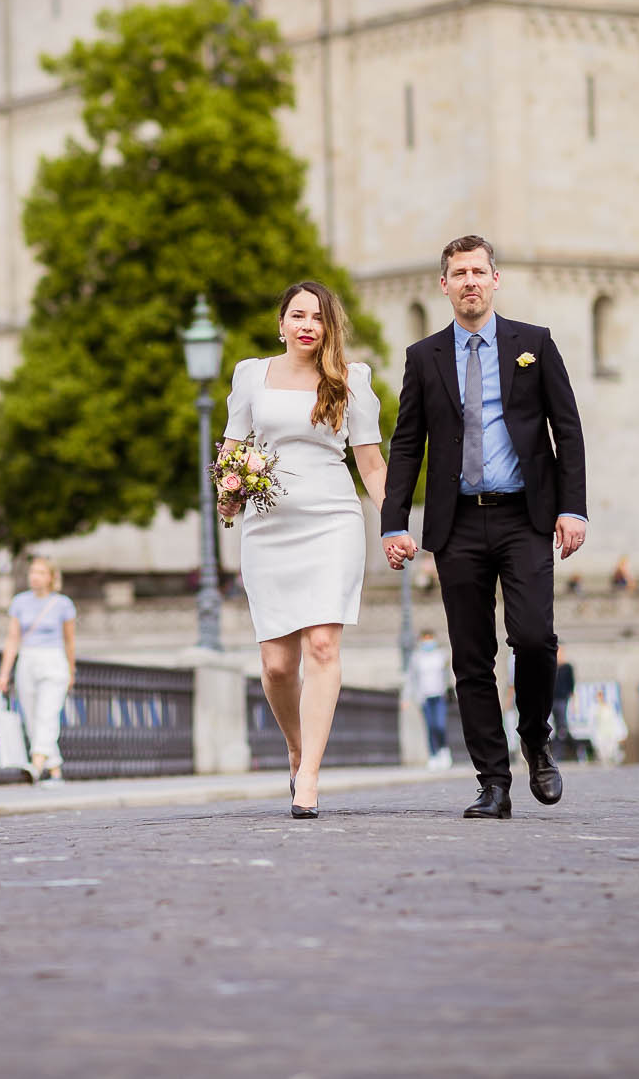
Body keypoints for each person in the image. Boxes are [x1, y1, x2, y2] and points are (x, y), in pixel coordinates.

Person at [381, 234, 588, 819]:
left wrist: (573, 509)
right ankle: (492, 781)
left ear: (496, 280)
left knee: (533, 638)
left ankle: (536, 738)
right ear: (443, 285)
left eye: (479, 271)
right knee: (471, 659)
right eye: (458, 273)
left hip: (526, 516)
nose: (470, 281)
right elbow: (407, 444)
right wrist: (393, 522)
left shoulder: (534, 344)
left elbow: (566, 430)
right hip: (457, 526)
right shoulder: (424, 357)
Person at [219, 281, 388, 819]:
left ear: (328, 326)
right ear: (282, 323)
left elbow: (371, 464)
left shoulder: (350, 380)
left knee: (321, 645)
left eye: (317, 317)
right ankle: (295, 747)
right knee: (275, 665)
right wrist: (228, 493)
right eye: (297, 315)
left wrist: (396, 524)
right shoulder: (252, 375)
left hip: (331, 521)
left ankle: (309, 774)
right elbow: (232, 450)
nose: (307, 324)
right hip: (268, 529)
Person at [0, 555, 78, 785]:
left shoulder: (63, 604)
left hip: (53, 659)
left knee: (47, 714)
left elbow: (69, 641)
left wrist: (71, 670)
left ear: (51, 577)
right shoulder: (20, 602)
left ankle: (37, 763)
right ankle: (55, 768)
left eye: (41, 573)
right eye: (33, 572)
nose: (35, 577)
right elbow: (12, 640)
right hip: (28, 659)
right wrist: (4, 673)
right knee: (31, 716)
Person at [407, 629, 453, 769]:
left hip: (439, 695)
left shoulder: (441, 655)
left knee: (440, 724)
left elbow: (447, 675)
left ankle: (443, 750)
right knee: (430, 726)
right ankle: (433, 755)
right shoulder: (416, 657)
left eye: (430, 638)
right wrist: (407, 697)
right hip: (424, 697)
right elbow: (411, 678)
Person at [550, 646, 576, 763]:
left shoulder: (567, 667)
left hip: (561, 700)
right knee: (551, 726)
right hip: (549, 700)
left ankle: (561, 752)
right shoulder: (550, 666)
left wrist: (573, 703)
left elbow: (571, 686)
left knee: (561, 727)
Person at [587, 689, 627, 766]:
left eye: (601, 695)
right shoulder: (594, 709)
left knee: (612, 751)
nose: (600, 698)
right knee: (603, 754)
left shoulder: (611, 706)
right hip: (600, 734)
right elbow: (591, 724)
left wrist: (622, 733)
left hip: (611, 733)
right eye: (598, 696)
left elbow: (618, 720)